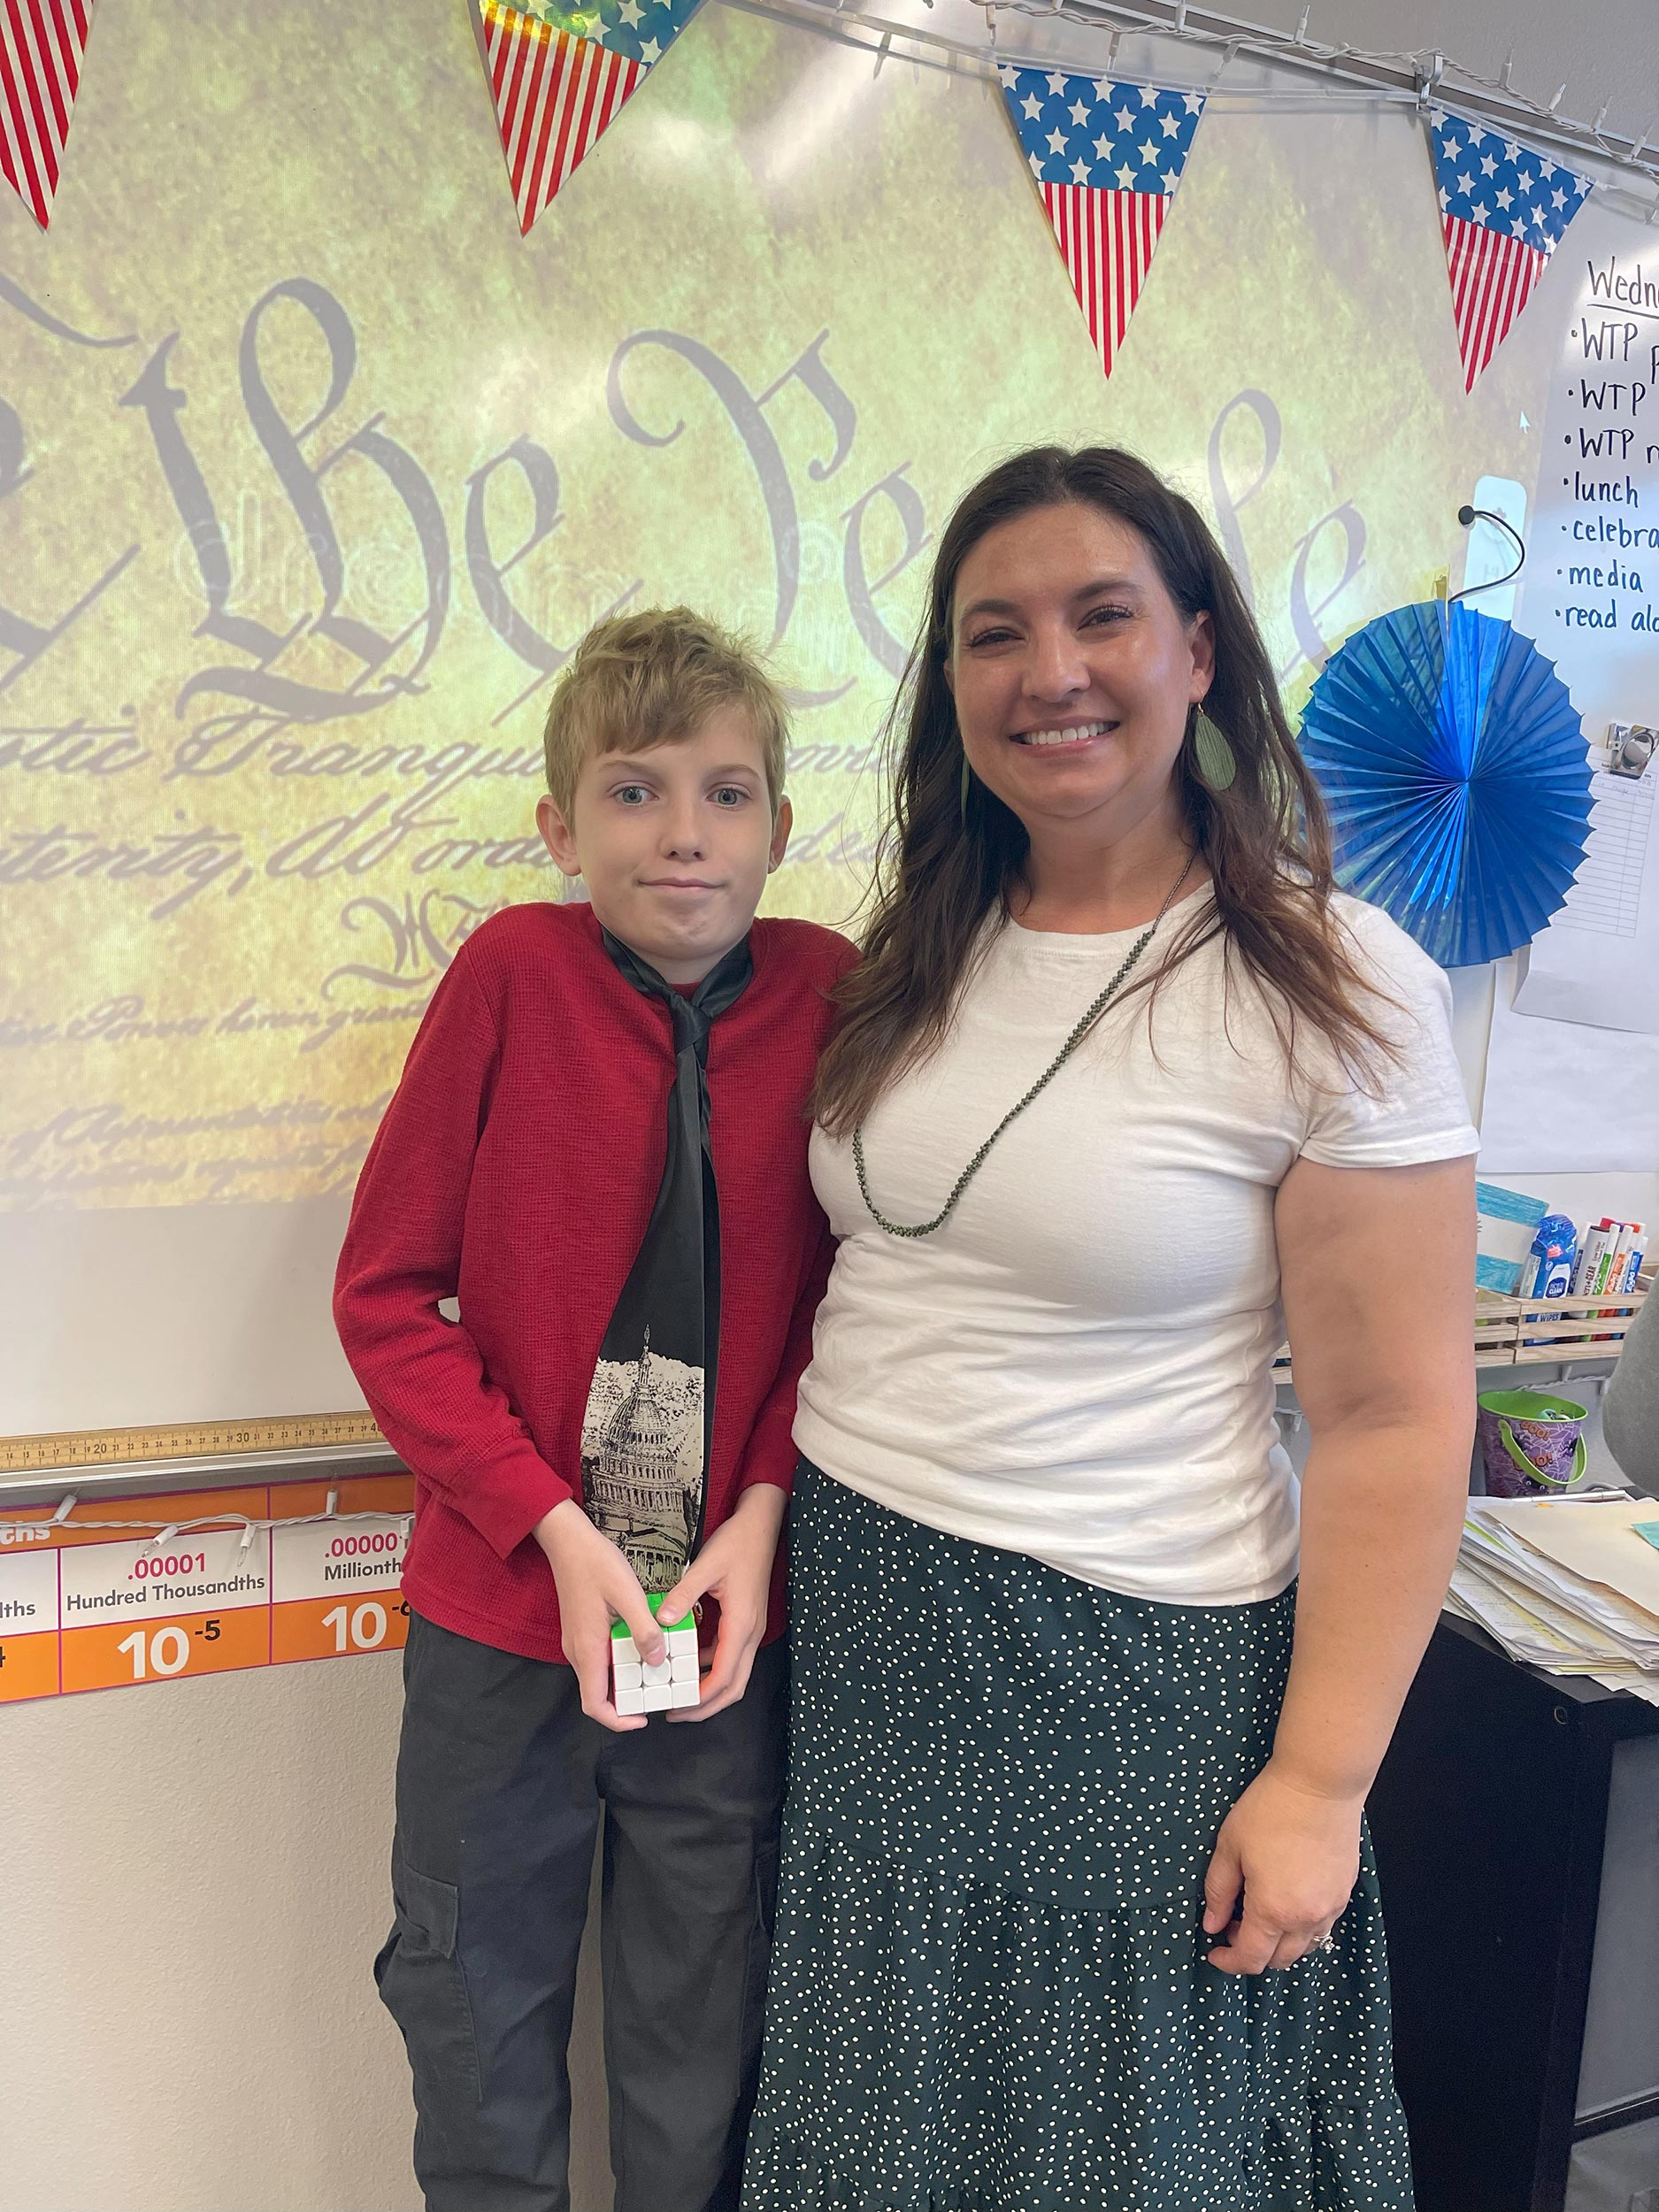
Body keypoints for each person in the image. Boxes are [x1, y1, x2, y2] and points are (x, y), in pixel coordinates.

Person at [740, 448, 1479, 2212]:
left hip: (1125, 1677)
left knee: (1119, 2146)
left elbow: (1390, 1415)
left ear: (1200, 649)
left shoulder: (1326, 973)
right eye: (990, 633)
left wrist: (1316, 1782)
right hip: (867, 1639)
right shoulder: (919, 943)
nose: (1044, 669)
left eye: (1100, 616)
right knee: (889, 2127)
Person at [334, 608, 854, 2212]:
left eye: (725, 792)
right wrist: (547, 1531)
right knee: (478, 2014)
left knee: (704, 2033)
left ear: (781, 820)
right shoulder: (511, 974)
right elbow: (384, 1300)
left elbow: (858, 1307)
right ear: (560, 823)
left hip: (723, 1626)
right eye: (632, 793)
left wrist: (761, 1513)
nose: (683, 835)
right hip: (503, 1620)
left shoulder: (836, 993)